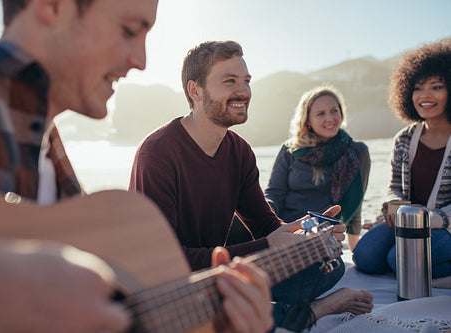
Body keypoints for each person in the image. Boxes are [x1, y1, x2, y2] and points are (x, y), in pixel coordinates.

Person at [0, 1, 275, 332]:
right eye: (129, 30)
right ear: (53, 6)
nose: (141, 61)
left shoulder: (51, 152)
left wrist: (213, 323)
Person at [129, 40, 373, 332]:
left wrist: (301, 233)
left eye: (246, 81)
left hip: (222, 271)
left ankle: (258, 306)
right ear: (195, 91)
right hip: (172, 286)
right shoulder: (157, 154)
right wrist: (268, 245)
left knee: (327, 264)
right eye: (229, 81)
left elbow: (265, 225)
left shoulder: (239, 151)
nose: (243, 91)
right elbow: (161, 263)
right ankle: (313, 311)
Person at [352, 39, 451, 286]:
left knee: (400, 261)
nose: (425, 96)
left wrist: (425, 218)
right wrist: (393, 203)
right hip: (409, 221)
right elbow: (394, 184)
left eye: (436, 87)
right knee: (364, 256)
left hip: (443, 226)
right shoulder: (405, 138)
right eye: (418, 88)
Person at [264, 86, 371, 251]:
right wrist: (268, 222)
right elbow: (274, 193)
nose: (329, 118)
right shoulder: (290, 150)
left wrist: (355, 249)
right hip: (286, 227)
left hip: (322, 233)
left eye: (334, 111)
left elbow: (355, 203)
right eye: (320, 114)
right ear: (307, 120)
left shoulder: (357, 152)